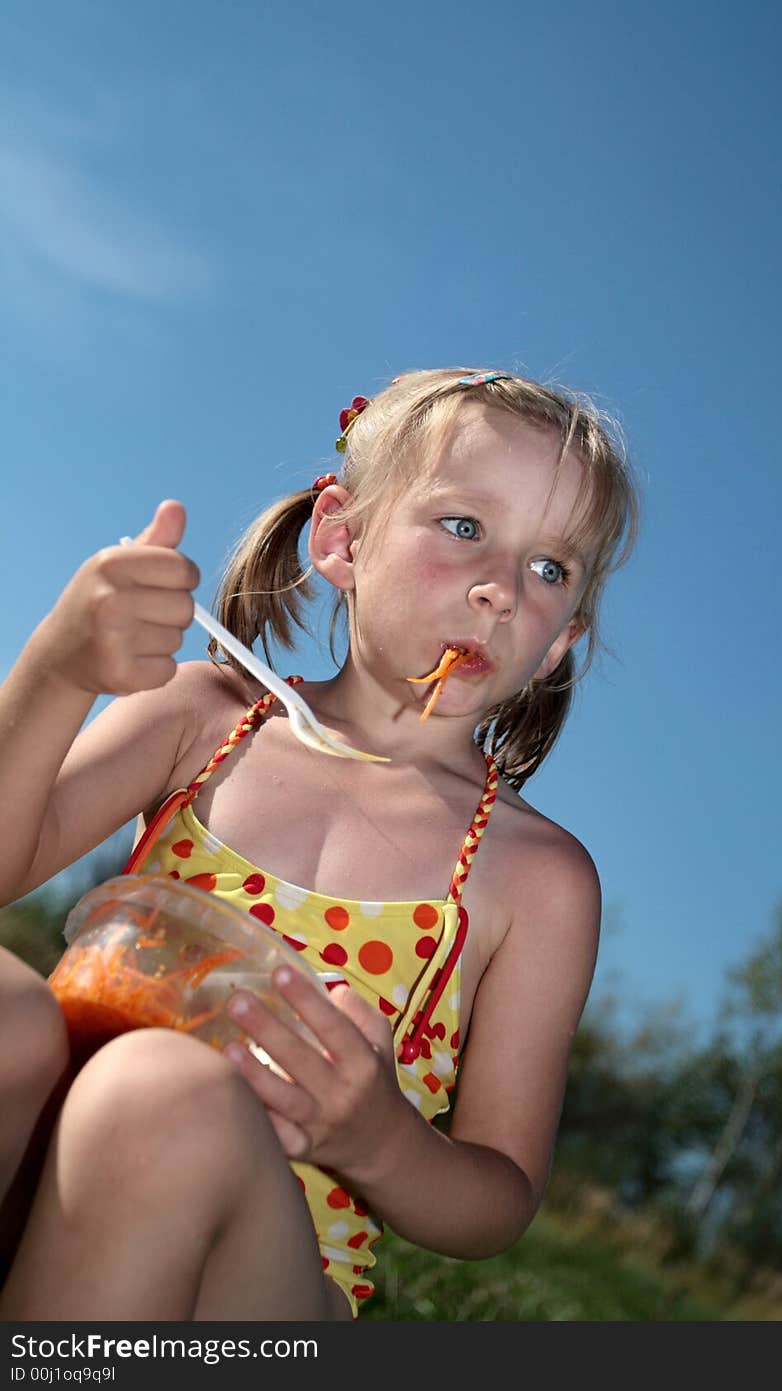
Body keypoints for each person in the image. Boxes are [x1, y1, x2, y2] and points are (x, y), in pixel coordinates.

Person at [0, 367, 639, 1320]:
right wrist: (57, 670)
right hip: (45, 1180)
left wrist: (377, 1135)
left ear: (561, 641)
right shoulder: (204, 716)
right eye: (464, 528)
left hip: (264, 1284)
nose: (501, 589)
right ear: (342, 537)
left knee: (160, 1093)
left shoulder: (534, 876)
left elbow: (498, 1196)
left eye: (550, 569)